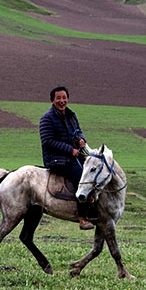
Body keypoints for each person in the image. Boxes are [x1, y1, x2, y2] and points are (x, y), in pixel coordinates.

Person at [39, 86, 97, 229]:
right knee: (81, 178)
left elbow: (78, 132)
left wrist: (81, 140)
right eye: (58, 98)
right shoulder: (47, 119)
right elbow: (48, 141)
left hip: (74, 155)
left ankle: (95, 205)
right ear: (52, 100)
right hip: (57, 159)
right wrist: (70, 150)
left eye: (64, 97)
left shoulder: (71, 115)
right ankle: (83, 218)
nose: (62, 101)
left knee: (95, 170)